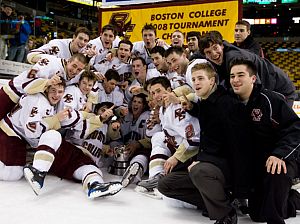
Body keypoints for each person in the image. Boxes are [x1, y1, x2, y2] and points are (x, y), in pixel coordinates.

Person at [158, 62, 246, 223]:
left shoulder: (227, 103)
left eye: (200, 78)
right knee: (165, 184)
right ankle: (219, 201)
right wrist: (191, 107)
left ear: (212, 81)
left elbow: (234, 146)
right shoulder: (206, 101)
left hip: (228, 168)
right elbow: (209, 117)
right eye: (193, 79)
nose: (196, 82)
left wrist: (201, 161)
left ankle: (226, 214)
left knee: (198, 171)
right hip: (212, 163)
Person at [229, 58, 300, 224]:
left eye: (241, 75)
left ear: (253, 78)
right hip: (259, 162)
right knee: (257, 215)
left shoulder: (270, 100)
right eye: (232, 76)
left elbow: (295, 128)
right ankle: (293, 199)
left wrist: (279, 154)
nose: (235, 80)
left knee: (276, 172)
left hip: (284, 158)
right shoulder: (230, 103)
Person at [136, 76, 200, 197]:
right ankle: (156, 177)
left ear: (169, 90)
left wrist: (175, 158)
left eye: (159, 91)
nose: (155, 96)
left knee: (170, 198)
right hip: (180, 153)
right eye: (153, 93)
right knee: (158, 137)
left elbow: (195, 139)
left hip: (193, 157)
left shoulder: (178, 109)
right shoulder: (162, 110)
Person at [198, 30, 296, 106]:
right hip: (266, 87)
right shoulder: (216, 60)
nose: (214, 54)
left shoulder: (236, 59)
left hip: (280, 89)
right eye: (208, 52)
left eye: (215, 48)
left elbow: (254, 87)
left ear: (222, 45)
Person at [0, 53, 88, 120]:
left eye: (79, 69)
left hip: (26, 102)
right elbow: (26, 85)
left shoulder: (77, 74)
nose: (74, 71)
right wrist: (47, 82)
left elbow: (91, 79)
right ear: (68, 61)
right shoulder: (50, 62)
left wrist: (90, 101)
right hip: (11, 93)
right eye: (74, 66)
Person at [114, 93, 151, 187]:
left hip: (141, 148)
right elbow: (114, 110)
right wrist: (119, 113)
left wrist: (138, 144)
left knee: (142, 155)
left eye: (139, 102)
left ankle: (134, 173)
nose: (136, 104)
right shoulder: (126, 114)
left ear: (144, 106)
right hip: (126, 148)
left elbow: (151, 140)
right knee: (114, 144)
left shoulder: (148, 116)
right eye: (134, 101)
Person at [27, 27, 91, 64]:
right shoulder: (57, 46)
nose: (82, 42)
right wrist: (54, 61)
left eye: (85, 40)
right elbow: (31, 55)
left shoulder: (85, 51)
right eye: (80, 38)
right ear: (74, 37)